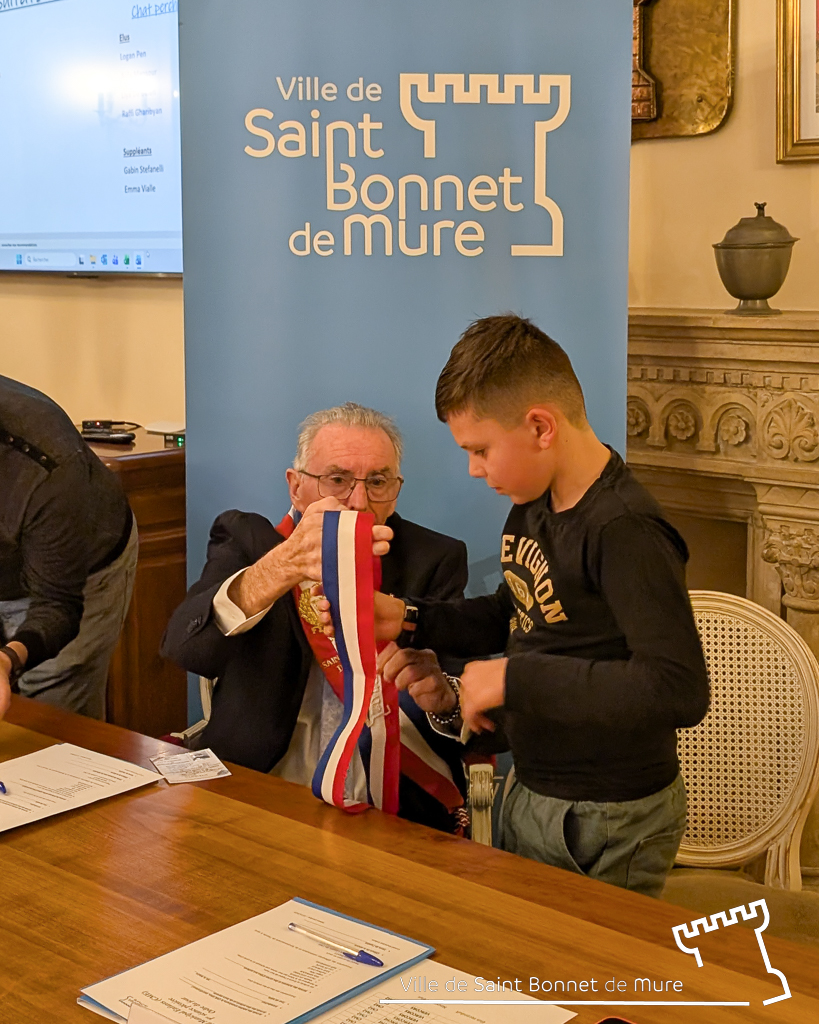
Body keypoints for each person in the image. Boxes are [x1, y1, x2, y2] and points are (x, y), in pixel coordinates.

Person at [331, 316, 710, 896]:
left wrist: (514, 679)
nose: (473, 469)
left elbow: (677, 688)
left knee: (582, 956)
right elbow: (516, 609)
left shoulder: (625, 528)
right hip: (536, 788)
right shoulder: (534, 505)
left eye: (481, 450)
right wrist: (411, 617)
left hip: (604, 812)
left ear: (539, 427)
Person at [161, 403, 469, 832]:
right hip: (261, 787)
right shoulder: (248, 541)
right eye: (338, 480)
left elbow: (460, 710)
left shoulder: (433, 558)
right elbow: (184, 648)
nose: (359, 502)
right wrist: (282, 567)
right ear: (296, 486)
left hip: (386, 805)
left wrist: (444, 698)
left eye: (377, 482)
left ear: (395, 489)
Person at [0, 375, 137, 720]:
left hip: (79, 573)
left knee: (49, 726)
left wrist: (7, 659)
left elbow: (56, 605)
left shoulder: (48, 465)